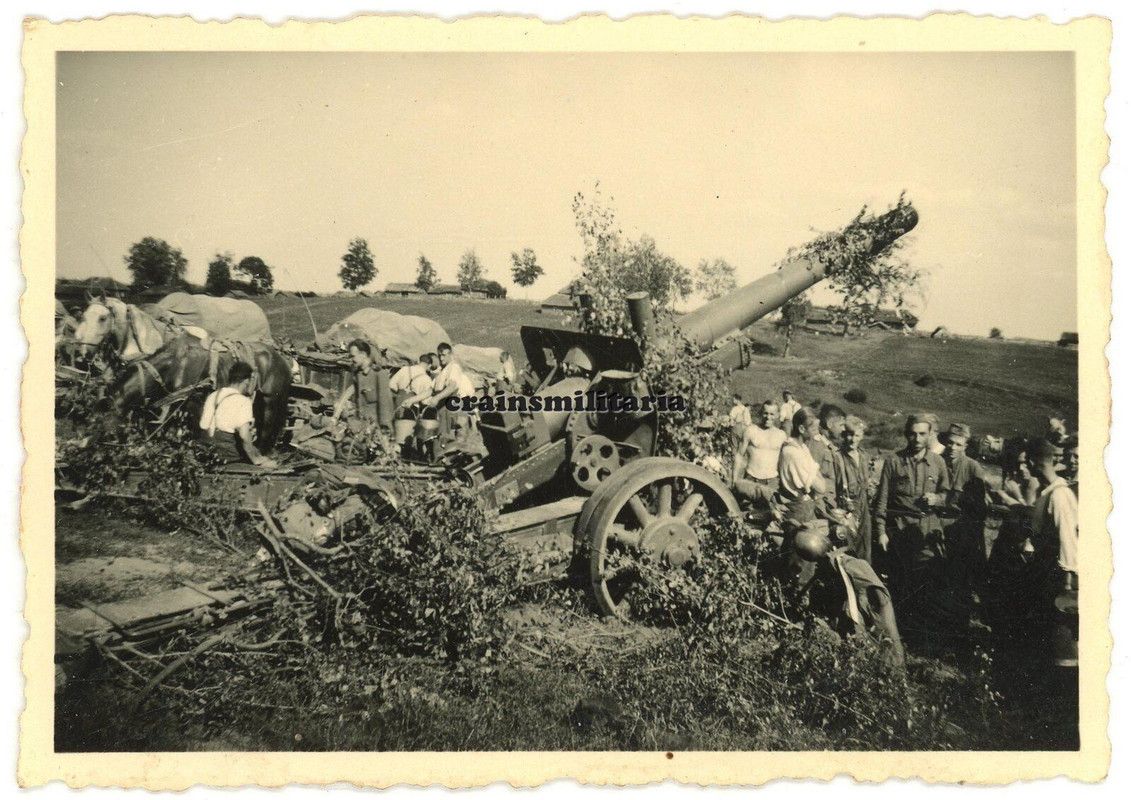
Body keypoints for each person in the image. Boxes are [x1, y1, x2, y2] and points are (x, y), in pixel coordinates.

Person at [873, 413, 951, 617]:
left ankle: (921, 625)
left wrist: (937, 499)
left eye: (922, 434)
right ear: (907, 435)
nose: (917, 439)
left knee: (927, 578)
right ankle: (901, 625)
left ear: (930, 434)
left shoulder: (938, 462)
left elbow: (946, 495)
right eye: (913, 434)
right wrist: (881, 531)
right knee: (900, 579)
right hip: (900, 528)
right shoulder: (894, 461)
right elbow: (882, 499)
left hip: (927, 528)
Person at [939, 422, 991, 632]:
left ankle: (960, 623)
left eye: (958, 445)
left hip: (961, 529)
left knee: (960, 579)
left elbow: (979, 505)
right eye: (950, 443)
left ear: (965, 446)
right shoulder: (937, 462)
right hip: (938, 525)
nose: (952, 448)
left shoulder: (972, 467)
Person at [199, 361, 277, 468]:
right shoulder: (243, 401)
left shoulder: (214, 395)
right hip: (227, 455)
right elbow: (244, 435)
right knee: (270, 465)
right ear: (246, 381)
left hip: (207, 451)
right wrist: (256, 459)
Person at [832, 415, 873, 563]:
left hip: (864, 506)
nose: (853, 439)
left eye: (857, 435)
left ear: (861, 437)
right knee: (847, 549)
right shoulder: (837, 457)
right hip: (846, 508)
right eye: (850, 434)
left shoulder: (864, 456)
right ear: (844, 434)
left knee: (865, 547)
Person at [732, 400, 787, 507]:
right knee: (745, 511)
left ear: (777, 415)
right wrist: (734, 480)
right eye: (765, 413)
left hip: (772, 482)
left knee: (770, 515)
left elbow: (784, 462)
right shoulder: (751, 430)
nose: (768, 417)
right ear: (761, 413)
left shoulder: (781, 435)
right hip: (752, 479)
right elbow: (739, 455)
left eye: (772, 414)